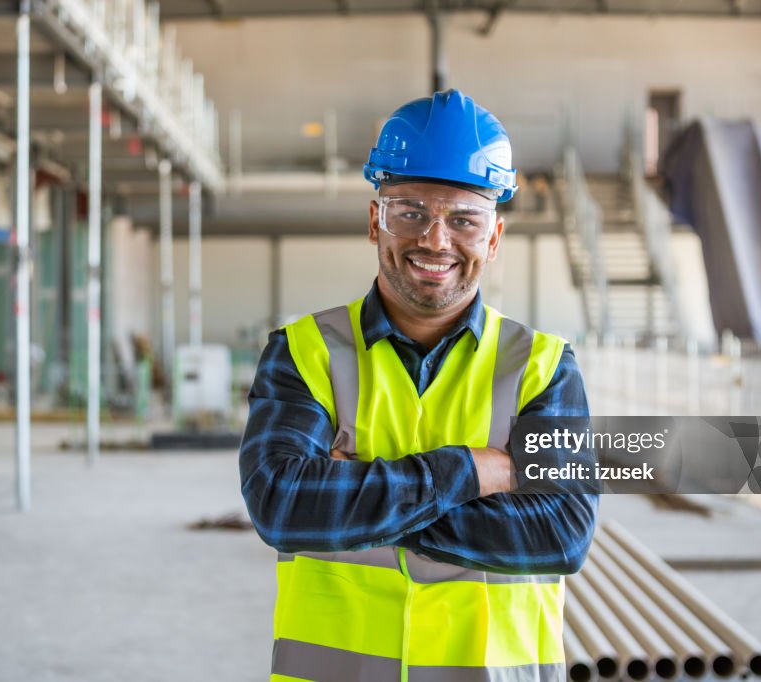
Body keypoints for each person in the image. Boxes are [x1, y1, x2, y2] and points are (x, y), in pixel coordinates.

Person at [239, 89, 599, 682]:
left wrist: (351, 496)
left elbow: (560, 535)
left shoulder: (543, 367)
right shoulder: (304, 353)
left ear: (493, 237)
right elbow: (282, 505)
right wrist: (476, 473)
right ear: (375, 220)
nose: (435, 240)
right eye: (411, 211)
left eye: (463, 218)